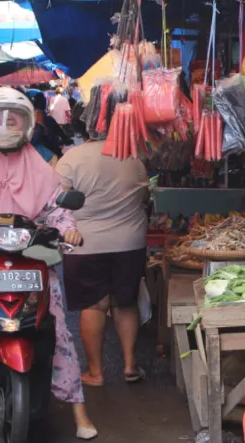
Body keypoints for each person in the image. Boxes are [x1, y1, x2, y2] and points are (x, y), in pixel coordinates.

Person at [0, 87, 97, 440]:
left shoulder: (42, 171)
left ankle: (79, 410)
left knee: (56, 326)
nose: (3, 125)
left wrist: (69, 229)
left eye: (11, 119)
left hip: (31, 258)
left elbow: (57, 209)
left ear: (26, 124)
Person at [56, 134, 149, 387]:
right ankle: (130, 365)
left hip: (85, 243)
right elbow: (143, 197)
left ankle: (95, 373)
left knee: (94, 306)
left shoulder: (72, 158)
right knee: (126, 302)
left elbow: (58, 202)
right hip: (129, 241)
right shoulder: (133, 158)